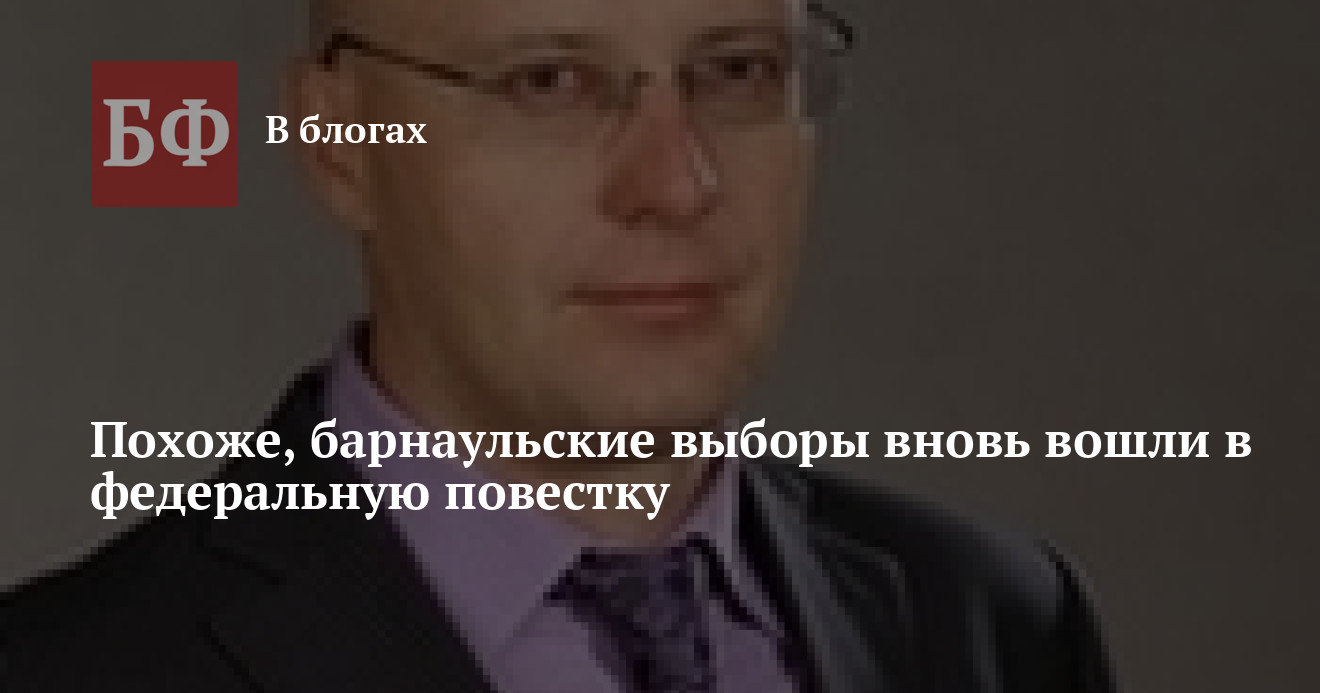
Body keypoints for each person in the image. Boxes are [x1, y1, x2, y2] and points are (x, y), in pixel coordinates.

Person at [3, 0, 1116, 691]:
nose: (675, 183)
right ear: (341, 146)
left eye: (737, 70)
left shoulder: (997, 628)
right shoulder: (75, 671)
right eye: (549, 83)